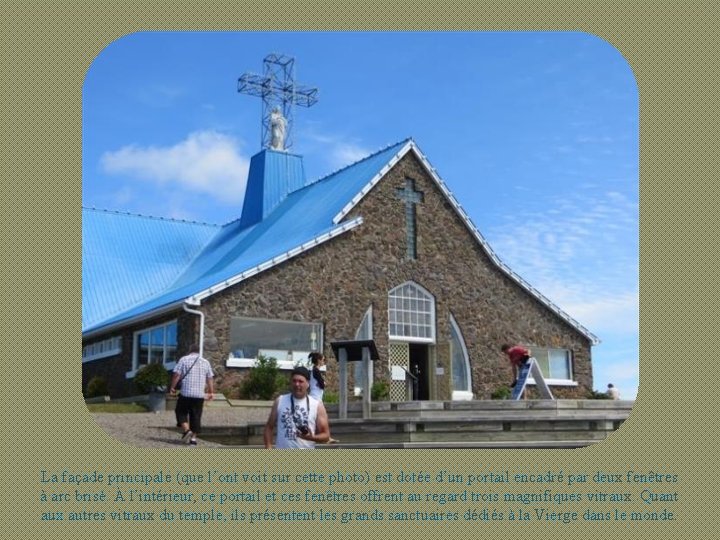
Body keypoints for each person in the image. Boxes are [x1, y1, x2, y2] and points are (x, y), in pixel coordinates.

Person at [264, 366, 330, 449]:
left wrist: (311, 437)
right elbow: (269, 427)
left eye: (300, 381)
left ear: (308, 383)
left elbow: (326, 436)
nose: (297, 384)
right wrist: (268, 446)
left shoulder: (317, 405)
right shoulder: (280, 401)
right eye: (294, 381)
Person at [169, 344, 214, 446]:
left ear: (190, 350)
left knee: (180, 411)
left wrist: (172, 387)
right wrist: (211, 392)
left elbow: (176, 375)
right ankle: (193, 439)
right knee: (196, 416)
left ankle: (186, 430)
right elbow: (210, 378)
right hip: (199, 395)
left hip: (185, 393)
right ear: (198, 351)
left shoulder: (184, 360)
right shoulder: (205, 362)